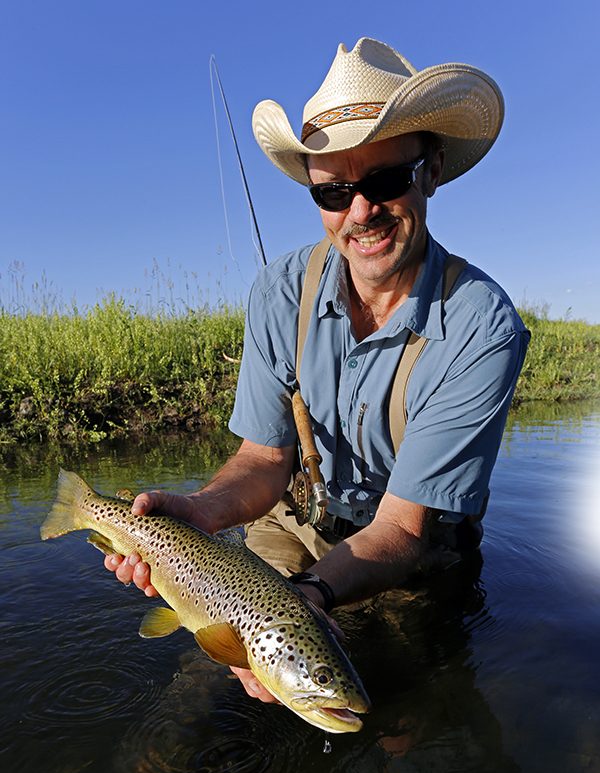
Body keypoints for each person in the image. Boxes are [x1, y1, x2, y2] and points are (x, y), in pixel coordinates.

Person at [106, 38, 529, 703]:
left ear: (433, 169)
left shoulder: (481, 328)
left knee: (402, 710)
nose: (360, 213)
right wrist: (199, 512)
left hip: (410, 550)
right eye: (333, 190)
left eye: (385, 180)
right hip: (294, 521)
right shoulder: (280, 291)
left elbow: (401, 531)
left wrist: (300, 604)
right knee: (208, 685)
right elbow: (263, 460)